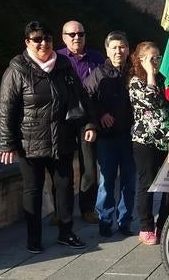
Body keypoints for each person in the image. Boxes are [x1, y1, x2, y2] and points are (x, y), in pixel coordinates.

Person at [0, 21, 96, 253]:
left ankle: (66, 232)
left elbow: (81, 97)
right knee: (32, 189)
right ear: (27, 42)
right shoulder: (17, 69)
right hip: (29, 142)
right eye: (37, 39)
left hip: (61, 138)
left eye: (47, 39)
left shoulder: (63, 65)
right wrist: (7, 143)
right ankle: (34, 238)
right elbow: (5, 109)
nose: (43, 43)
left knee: (64, 186)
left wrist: (90, 122)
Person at [84, 31, 136, 238]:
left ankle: (125, 220)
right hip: (107, 137)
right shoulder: (98, 73)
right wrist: (99, 115)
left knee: (129, 182)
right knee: (106, 181)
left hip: (130, 137)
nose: (118, 51)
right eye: (114, 47)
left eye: (122, 46)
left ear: (128, 49)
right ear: (106, 50)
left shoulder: (133, 73)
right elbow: (85, 98)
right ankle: (105, 220)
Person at [57, 20, 105, 224]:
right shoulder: (56, 58)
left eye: (81, 34)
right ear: (64, 37)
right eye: (72, 34)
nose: (77, 37)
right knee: (61, 167)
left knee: (89, 166)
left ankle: (87, 208)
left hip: (87, 119)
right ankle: (62, 212)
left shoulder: (96, 58)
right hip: (63, 119)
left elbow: (104, 89)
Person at [128, 42, 169, 245]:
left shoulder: (162, 79)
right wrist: (149, 73)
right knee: (146, 183)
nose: (155, 62)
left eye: (157, 57)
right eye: (150, 58)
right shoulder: (136, 81)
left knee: (167, 185)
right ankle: (146, 226)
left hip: (165, 139)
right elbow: (151, 100)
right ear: (140, 60)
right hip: (145, 140)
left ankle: (164, 224)